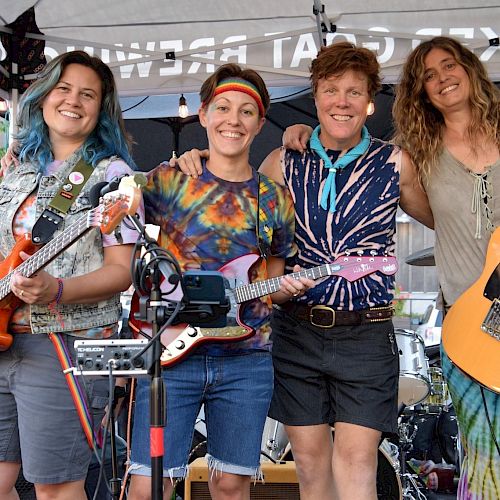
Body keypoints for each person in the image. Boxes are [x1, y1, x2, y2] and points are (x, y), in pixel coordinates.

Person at [172, 42, 433, 500]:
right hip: (296, 332)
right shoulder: (282, 160)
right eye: (331, 90)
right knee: (310, 468)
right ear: (316, 96)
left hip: (366, 334)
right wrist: (190, 165)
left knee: (357, 464)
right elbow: (237, 219)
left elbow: (443, 219)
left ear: (370, 102)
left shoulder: (395, 163)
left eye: (354, 92)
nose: (342, 102)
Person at [127, 63, 313, 500]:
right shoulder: (169, 179)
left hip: (245, 358)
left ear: (260, 122)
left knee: (231, 485)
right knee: (148, 485)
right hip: (171, 354)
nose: (234, 120)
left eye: (247, 111)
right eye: (223, 108)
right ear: (204, 114)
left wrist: (283, 290)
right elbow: (122, 236)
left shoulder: (274, 198)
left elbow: (273, 276)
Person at [0, 50, 138, 500]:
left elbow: (122, 272)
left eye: (88, 94)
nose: (73, 101)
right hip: (3, 342)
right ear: (42, 98)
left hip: (62, 346)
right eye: (63, 89)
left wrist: (56, 290)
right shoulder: (15, 167)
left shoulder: (113, 176)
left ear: (102, 107)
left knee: (56, 489)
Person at [393, 36, 499, 500]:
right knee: (483, 452)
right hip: (468, 322)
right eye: (428, 77)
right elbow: (353, 155)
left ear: (471, 69)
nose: (441, 79)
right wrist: (302, 135)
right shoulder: (418, 153)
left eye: (449, 66)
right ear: (421, 94)